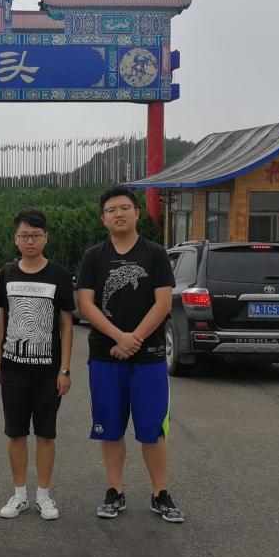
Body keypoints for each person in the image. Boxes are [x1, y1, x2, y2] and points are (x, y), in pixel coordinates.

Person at [76, 187, 184, 523]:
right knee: (109, 428)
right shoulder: (94, 256)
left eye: (125, 207)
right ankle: (115, 490)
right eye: (111, 210)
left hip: (149, 357)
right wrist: (119, 337)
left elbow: (163, 303)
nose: (119, 214)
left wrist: (133, 339)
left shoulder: (155, 254)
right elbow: (86, 305)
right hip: (105, 356)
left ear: (137, 213)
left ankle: (160, 493)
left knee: (153, 429)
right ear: (103, 218)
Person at [0, 209, 74, 521]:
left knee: (45, 434)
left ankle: (43, 495)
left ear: (46, 238)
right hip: (13, 368)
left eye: (36, 235)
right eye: (24, 235)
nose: (30, 241)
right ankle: (19, 495)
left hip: (48, 372)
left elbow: (66, 325)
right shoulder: (7, 273)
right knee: (15, 433)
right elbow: (3, 317)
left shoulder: (59, 275)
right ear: (16, 238)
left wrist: (64, 369)